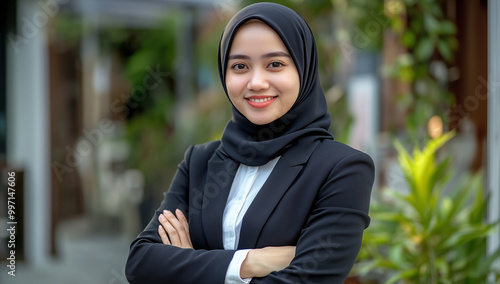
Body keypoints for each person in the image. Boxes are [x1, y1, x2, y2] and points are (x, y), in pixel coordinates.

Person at [125, 2, 374, 284]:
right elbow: (141, 264)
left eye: (275, 64)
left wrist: (187, 264)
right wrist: (252, 261)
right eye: (240, 66)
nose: (256, 82)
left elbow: (307, 281)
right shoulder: (201, 162)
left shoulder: (342, 169)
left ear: (304, 70)